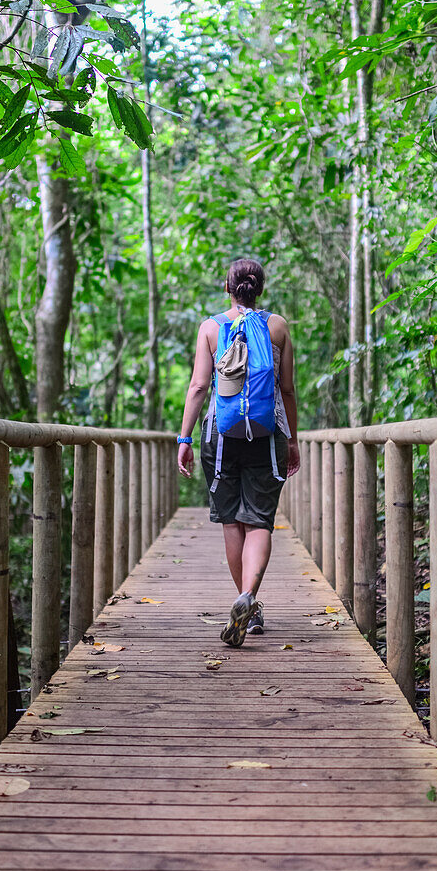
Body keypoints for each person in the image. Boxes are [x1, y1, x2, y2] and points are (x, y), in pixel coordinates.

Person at [177, 258, 300, 647]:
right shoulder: (277, 327)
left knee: (232, 522)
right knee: (260, 520)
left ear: (227, 288)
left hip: (221, 436)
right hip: (268, 436)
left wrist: (184, 439)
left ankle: (250, 603)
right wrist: (292, 439)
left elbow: (199, 387)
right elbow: (287, 389)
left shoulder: (211, 328)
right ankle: (248, 594)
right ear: (259, 289)